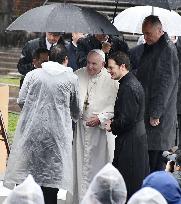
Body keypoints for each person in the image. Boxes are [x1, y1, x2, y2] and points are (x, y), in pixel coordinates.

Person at [3, 45, 81, 204]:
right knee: (51, 181)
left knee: (27, 175)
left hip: (32, 132)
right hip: (56, 137)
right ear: (65, 60)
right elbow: (76, 109)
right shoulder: (71, 79)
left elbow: (21, 101)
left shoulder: (32, 75)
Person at [73, 49, 119, 203]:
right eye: (88, 62)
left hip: (100, 134)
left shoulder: (111, 80)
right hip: (81, 129)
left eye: (94, 64)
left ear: (103, 64)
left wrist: (100, 118)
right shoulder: (78, 74)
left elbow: (115, 107)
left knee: (98, 169)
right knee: (80, 168)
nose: (90, 67)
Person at [136, 15, 179, 173]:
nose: (145, 37)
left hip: (158, 118)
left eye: (148, 33)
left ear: (160, 30)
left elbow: (164, 85)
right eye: (144, 34)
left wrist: (155, 113)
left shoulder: (166, 50)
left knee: (154, 164)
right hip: (148, 112)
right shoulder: (153, 47)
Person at [105, 51, 149, 199]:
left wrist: (112, 125)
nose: (109, 71)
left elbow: (127, 119)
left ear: (122, 66)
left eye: (111, 67)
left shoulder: (128, 87)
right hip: (134, 139)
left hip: (131, 143)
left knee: (128, 184)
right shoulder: (130, 83)